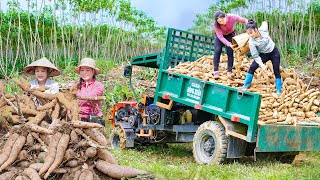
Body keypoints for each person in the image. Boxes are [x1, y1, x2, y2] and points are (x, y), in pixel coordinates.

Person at [242, 20, 282, 95]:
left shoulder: (263, 29)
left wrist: (263, 21)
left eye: (251, 33)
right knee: (252, 67)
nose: (250, 35)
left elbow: (264, 22)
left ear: (256, 29)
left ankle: (279, 90)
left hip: (274, 51)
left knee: (276, 69)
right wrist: (262, 65)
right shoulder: (251, 42)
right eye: (248, 34)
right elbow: (255, 56)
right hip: (264, 54)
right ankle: (245, 86)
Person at [213, 10, 248, 77]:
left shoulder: (232, 17)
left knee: (230, 52)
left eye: (223, 20)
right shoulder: (216, 25)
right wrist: (228, 44)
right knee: (217, 50)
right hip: (220, 37)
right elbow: (220, 37)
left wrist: (248, 24)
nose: (222, 23)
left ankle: (229, 70)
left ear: (225, 16)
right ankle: (216, 70)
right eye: (219, 22)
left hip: (230, 35)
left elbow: (243, 20)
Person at [74, 57, 105, 126]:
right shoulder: (76, 86)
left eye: (87, 70)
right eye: (82, 70)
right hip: (79, 117)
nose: (84, 73)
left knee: (94, 123)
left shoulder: (98, 85)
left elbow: (90, 96)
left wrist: (77, 97)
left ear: (93, 71)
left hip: (94, 117)